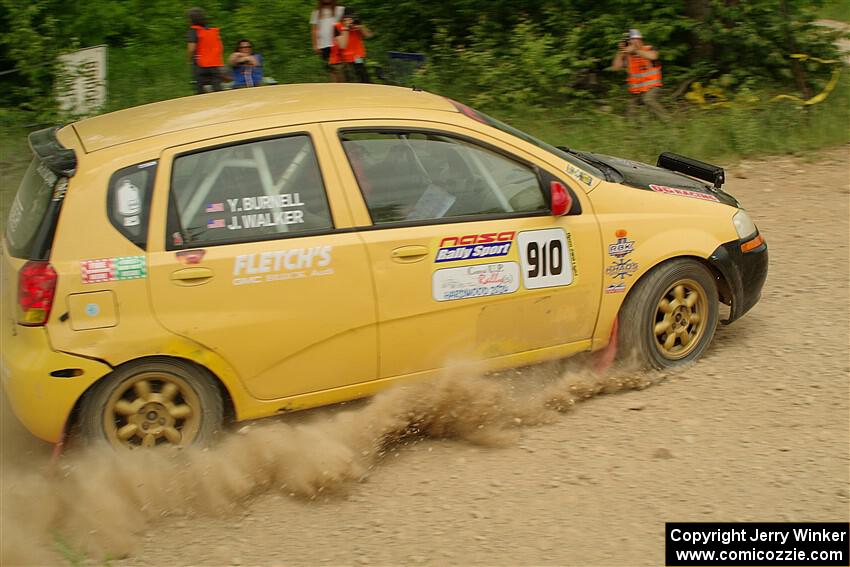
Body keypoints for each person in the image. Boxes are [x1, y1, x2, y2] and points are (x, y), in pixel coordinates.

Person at [611, 29, 668, 121]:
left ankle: (668, 122)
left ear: (640, 40)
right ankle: (635, 129)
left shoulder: (649, 48)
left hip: (653, 87)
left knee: (648, 99)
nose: (634, 42)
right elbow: (615, 68)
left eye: (636, 39)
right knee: (631, 105)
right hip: (638, 90)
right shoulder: (627, 56)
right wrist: (621, 51)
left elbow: (653, 56)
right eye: (631, 40)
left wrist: (636, 50)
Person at [187, 7, 225, 94]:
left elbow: (191, 48)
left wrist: (189, 60)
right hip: (215, 64)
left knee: (200, 90)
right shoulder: (212, 31)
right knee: (217, 89)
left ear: (191, 19)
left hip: (200, 65)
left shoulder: (194, 31)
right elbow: (220, 47)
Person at [336, 8, 374, 83]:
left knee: (362, 73)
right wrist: (346, 28)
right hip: (343, 57)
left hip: (357, 56)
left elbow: (369, 35)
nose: (349, 21)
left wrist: (361, 27)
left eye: (351, 19)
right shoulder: (337, 26)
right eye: (347, 19)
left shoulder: (357, 24)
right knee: (347, 78)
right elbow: (341, 44)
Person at [310, 0, 345, 80]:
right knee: (330, 68)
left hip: (338, 44)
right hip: (324, 44)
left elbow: (346, 25)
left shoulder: (340, 9)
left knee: (340, 68)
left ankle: (344, 86)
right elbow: (314, 30)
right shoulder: (316, 12)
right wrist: (315, 45)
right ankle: (335, 87)